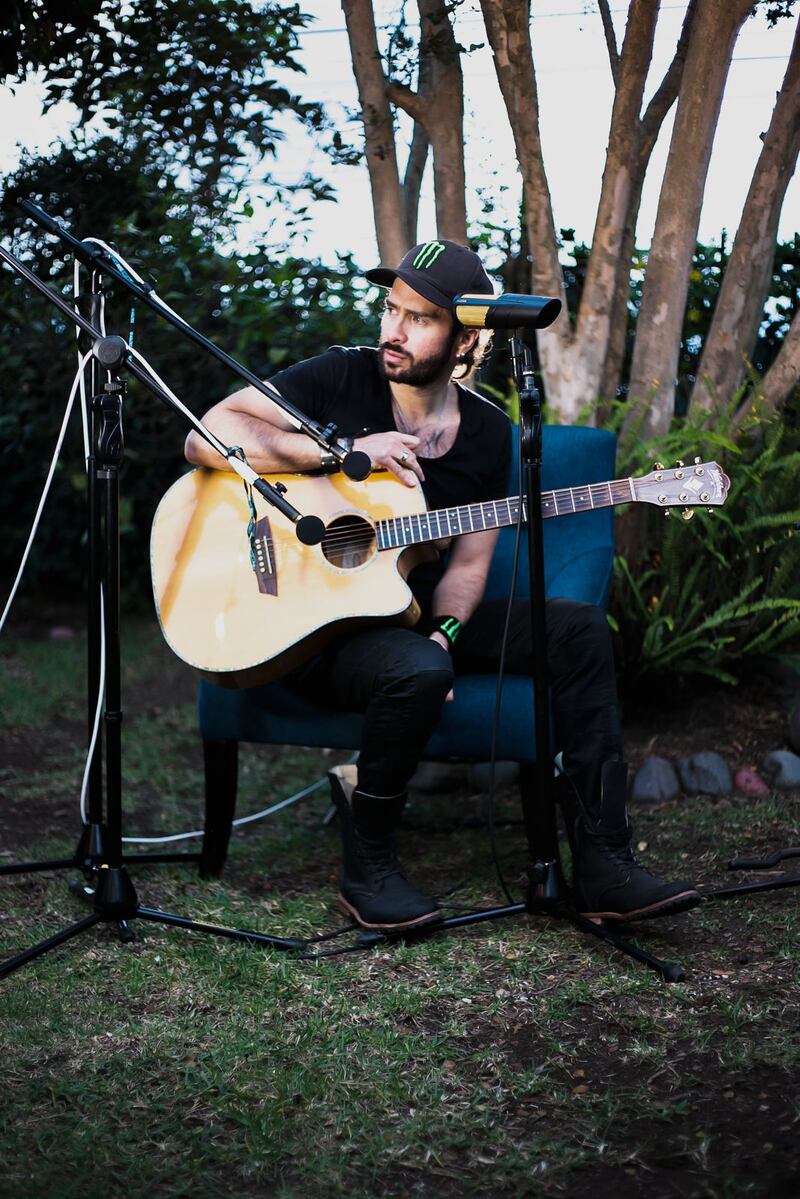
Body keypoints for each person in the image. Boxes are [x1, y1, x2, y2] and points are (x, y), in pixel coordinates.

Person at [185, 239, 701, 932]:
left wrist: (448, 631)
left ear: (465, 340)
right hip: (310, 627)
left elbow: (464, 569)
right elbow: (206, 435)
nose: (393, 330)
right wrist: (342, 454)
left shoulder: (489, 435)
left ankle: (606, 862)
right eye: (391, 309)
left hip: (404, 611)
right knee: (418, 665)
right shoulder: (339, 377)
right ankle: (367, 869)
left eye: (419, 317)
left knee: (575, 629)